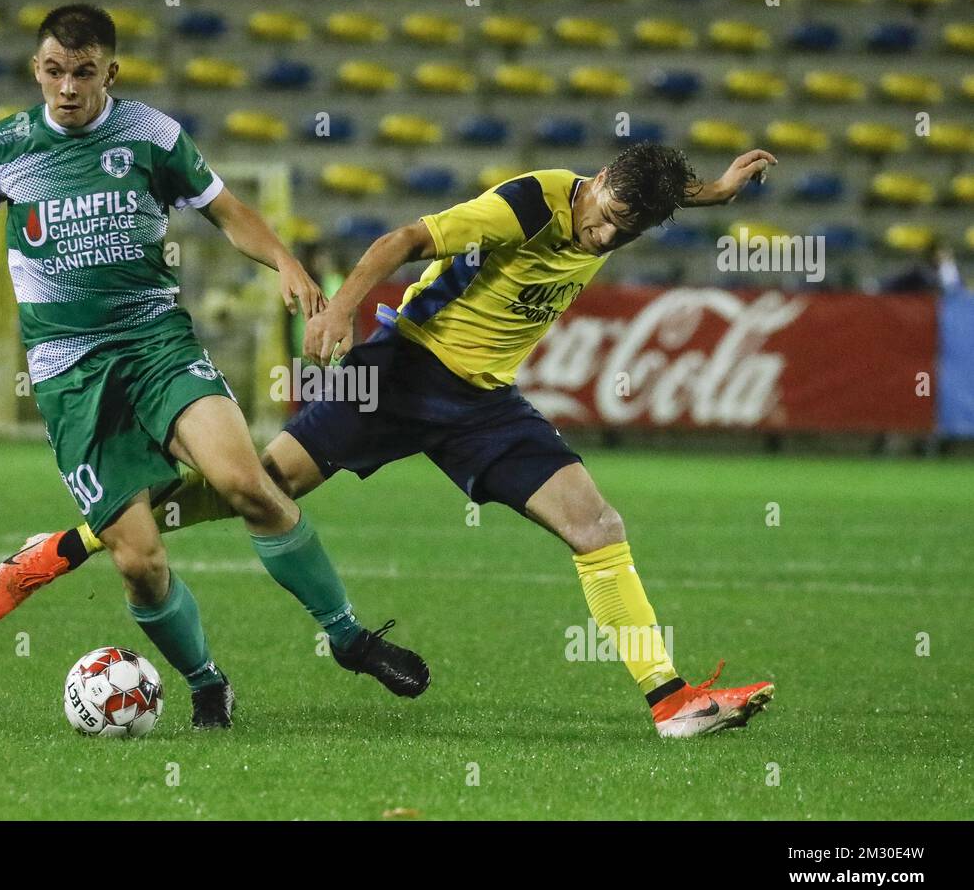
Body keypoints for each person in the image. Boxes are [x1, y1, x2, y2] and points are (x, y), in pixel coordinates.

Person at [0, 4, 429, 730]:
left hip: (156, 343)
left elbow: (227, 210)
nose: (67, 87)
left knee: (246, 480)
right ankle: (206, 680)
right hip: (69, 374)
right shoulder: (5, 148)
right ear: (36, 70)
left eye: (84, 72)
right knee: (139, 561)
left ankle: (348, 635)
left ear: (110, 72)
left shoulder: (152, 135)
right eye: (54, 71)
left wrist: (283, 260)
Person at [114, 143, 781, 737]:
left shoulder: (630, 205)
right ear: (597, 178)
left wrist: (714, 192)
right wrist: (341, 310)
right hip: (403, 368)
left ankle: (670, 704)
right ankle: (88, 536)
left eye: (623, 229)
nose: (603, 233)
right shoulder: (525, 206)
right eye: (603, 213)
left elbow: (656, 193)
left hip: (484, 404)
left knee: (598, 525)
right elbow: (404, 239)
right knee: (260, 485)